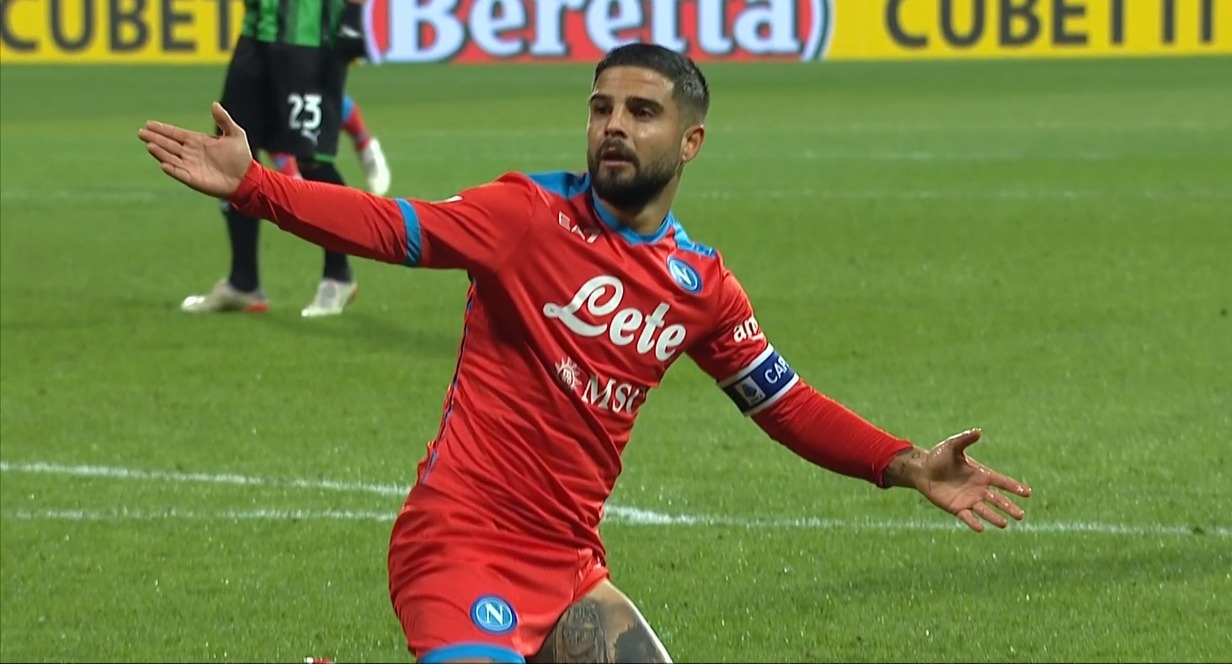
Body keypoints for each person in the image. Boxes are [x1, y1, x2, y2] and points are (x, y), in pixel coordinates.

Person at [138, 43, 1033, 664]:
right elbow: (392, 225)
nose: (614, 125)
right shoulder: (524, 217)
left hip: (567, 565)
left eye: (642, 112)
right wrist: (255, 186)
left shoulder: (700, 286)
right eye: (602, 107)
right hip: (459, 543)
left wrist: (905, 463)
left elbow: (786, 403)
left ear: (690, 142)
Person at [179, 0, 369, 318]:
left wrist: (353, 16)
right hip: (258, 31)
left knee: (312, 159)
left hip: (310, 37)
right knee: (230, 148)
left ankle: (338, 276)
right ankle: (243, 282)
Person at [270, 93, 393, 196]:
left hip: (318, 165)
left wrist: (363, 141)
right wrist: (293, 176)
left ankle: (365, 145)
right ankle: (365, 144)